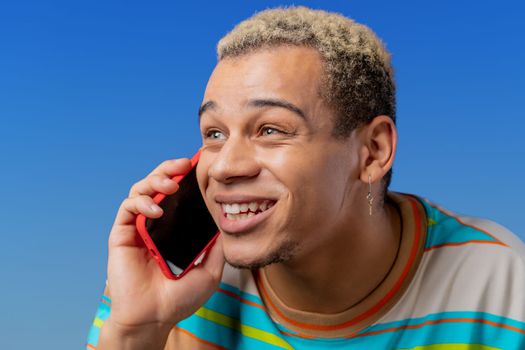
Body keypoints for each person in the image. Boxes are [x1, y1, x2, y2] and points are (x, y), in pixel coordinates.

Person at [87, 7, 525, 349]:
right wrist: (134, 331)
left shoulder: (503, 292)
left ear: (373, 152)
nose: (222, 166)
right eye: (214, 134)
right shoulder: (171, 280)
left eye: (271, 130)